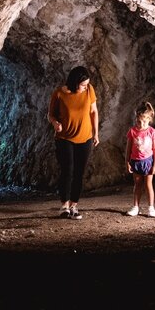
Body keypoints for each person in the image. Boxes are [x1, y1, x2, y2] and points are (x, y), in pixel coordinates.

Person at [47, 66, 99, 220]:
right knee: (67, 171)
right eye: (82, 85)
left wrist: (96, 133)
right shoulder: (59, 93)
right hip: (65, 139)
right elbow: (51, 114)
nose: (85, 87)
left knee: (79, 173)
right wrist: (55, 123)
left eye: (86, 84)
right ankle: (64, 205)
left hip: (85, 138)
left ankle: (74, 205)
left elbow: (94, 111)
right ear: (74, 82)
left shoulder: (89, 90)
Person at [124, 102, 155, 218]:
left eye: (145, 121)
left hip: (148, 162)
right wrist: (127, 162)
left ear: (149, 120)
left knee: (148, 184)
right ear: (136, 119)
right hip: (136, 161)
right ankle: (135, 207)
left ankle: (151, 208)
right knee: (137, 184)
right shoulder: (132, 132)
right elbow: (128, 149)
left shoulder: (152, 132)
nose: (141, 124)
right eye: (139, 121)